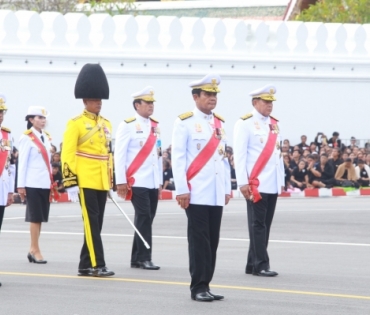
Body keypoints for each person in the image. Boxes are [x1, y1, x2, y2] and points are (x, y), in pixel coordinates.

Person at [172, 73, 231, 302]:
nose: (212, 98)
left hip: (215, 192)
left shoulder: (218, 123)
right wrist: (181, 189)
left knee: (212, 241)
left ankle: (206, 283)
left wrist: (226, 188)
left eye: (214, 94)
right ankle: (197, 287)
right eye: (207, 94)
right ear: (195, 96)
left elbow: (223, 159)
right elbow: (178, 159)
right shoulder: (184, 122)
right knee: (199, 242)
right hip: (195, 192)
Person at [61, 63, 114, 277]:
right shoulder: (75, 124)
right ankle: (97, 264)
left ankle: (84, 264)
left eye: (100, 100)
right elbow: (67, 154)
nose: (98, 103)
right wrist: (70, 182)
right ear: (85, 101)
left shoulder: (106, 123)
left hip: (100, 179)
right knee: (92, 223)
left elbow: (108, 155)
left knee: (97, 223)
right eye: (94, 100)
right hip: (84, 180)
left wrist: (109, 180)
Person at [234, 84, 284, 278]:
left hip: (271, 182)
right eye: (266, 101)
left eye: (271, 102)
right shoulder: (245, 123)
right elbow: (240, 155)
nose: (269, 105)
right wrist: (242, 182)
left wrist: (281, 180)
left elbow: (277, 154)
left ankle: (252, 263)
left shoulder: (274, 124)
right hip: (256, 183)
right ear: (255, 102)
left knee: (265, 224)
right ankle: (261, 264)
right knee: (258, 224)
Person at [115, 86, 162, 271]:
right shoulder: (127, 125)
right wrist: (120, 181)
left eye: (152, 103)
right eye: (147, 103)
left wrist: (158, 181)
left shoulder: (155, 126)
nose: (151, 106)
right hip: (136, 180)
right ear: (137, 105)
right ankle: (145, 257)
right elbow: (120, 155)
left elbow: (156, 154)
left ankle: (136, 257)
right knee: (143, 216)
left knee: (148, 217)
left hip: (151, 180)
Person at [18, 106, 53, 264]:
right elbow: (22, 163)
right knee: (35, 217)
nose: (43, 120)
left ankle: (33, 249)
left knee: (40, 218)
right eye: (39, 117)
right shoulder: (27, 138)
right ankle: (35, 249)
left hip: (45, 182)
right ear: (31, 120)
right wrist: (21, 186)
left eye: (44, 118)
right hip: (32, 182)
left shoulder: (46, 136)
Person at [0, 94, 15, 287]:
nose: (1, 115)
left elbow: (10, 164)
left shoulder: (6, 134)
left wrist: (10, 191)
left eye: (2, 112)